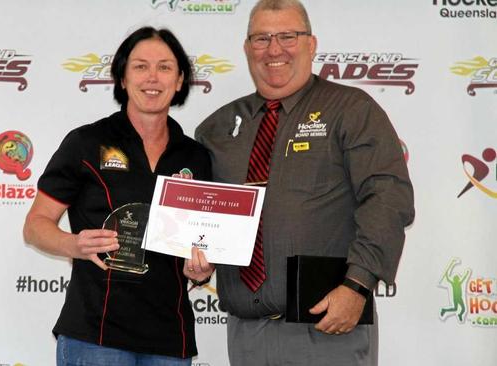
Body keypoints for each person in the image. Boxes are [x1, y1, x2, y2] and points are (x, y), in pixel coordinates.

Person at [194, 1, 415, 365]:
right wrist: (197, 260)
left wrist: (357, 284)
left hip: (328, 325)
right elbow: (204, 217)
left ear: (311, 44)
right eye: (261, 38)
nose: (274, 49)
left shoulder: (351, 109)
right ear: (247, 48)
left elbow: (388, 197)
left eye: (287, 36)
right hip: (247, 332)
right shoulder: (218, 128)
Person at [23, 26, 213, 366]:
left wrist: (201, 271)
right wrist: (73, 245)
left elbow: (201, 241)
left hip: (170, 338)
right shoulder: (86, 142)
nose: (152, 77)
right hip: (96, 335)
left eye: (165, 67)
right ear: (122, 78)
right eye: (140, 66)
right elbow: (35, 225)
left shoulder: (195, 156)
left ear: (180, 80)